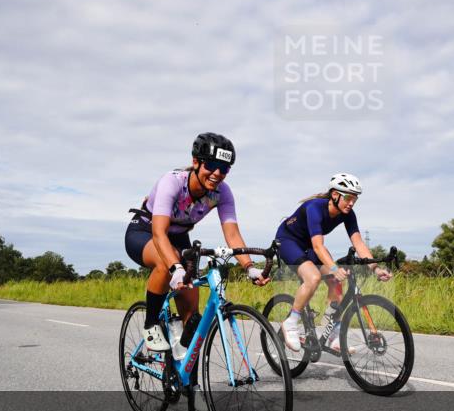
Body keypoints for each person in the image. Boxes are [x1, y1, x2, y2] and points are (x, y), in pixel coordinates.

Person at [124, 133, 270, 352]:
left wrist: (249, 267)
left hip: (180, 238)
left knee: (192, 317)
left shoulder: (222, 193)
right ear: (196, 162)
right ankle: (151, 324)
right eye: (211, 165)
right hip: (146, 231)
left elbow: (232, 235)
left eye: (225, 168)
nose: (217, 174)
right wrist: (176, 267)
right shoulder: (172, 182)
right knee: (167, 264)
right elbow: (159, 233)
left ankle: (184, 376)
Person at [274, 173, 392, 353]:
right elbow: (318, 246)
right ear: (335, 195)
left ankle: (331, 332)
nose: (352, 202)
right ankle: (290, 323)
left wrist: (375, 268)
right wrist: (335, 267)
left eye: (355, 199)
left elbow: (359, 243)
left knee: (336, 280)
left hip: (309, 245)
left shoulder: (348, 214)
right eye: (348, 197)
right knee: (312, 277)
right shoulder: (315, 207)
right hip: (288, 241)